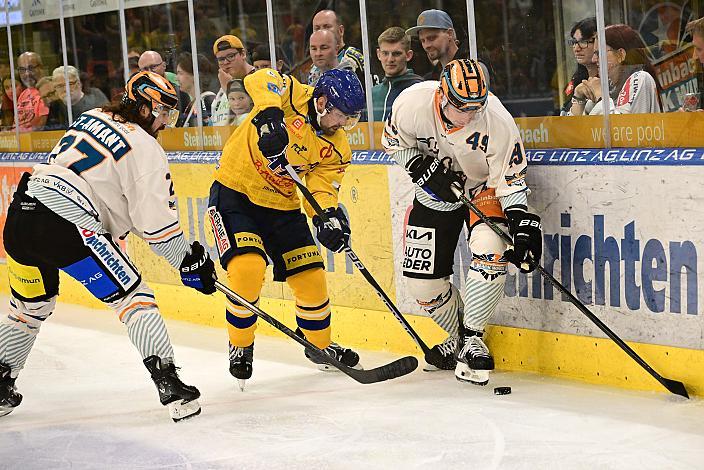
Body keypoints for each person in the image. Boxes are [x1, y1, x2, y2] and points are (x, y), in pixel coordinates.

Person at [0, 71, 217, 421]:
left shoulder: (91, 117)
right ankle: (171, 386)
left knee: (28, 307)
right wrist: (189, 259)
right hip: (67, 223)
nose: (166, 122)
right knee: (134, 298)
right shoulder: (146, 148)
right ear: (145, 108)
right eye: (164, 112)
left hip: (22, 215)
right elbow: (158, 229)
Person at [382, 59, 542, 384]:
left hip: (482, 187)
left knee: (490, 246)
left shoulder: (498, 121)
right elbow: (392, 143)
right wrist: (417, 166)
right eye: (462, 107)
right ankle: (459, 339)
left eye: (476, 107)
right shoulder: (411, 104)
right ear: (442, 94)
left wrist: (522, 223)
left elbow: (509, 183)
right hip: (434, 190)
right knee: (422, 284)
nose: (470, 116)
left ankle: (472, 339)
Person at [208, 68, 365, 390]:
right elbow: (256, 78)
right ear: (321, 101)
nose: (343, 125)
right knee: (247, 268)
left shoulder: (337, 147)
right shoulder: (293, 94)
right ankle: (240, 343)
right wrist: (268, 114)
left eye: (351, 119)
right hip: (235, 191)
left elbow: (321, 187)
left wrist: (327, 215)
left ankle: (319, 346)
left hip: (282, 205)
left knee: (312, 278)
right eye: (340, 116)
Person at [568, 24, 662, 115]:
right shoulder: (609, 88)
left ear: (620, 54)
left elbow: (621, 128)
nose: (594, 59)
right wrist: (578, 98)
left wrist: (601, 97)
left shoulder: (640, 78)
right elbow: (574, 130)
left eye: (599, 53)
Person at [406, 9, 491, 87]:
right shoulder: (432, 77)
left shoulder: (472, 68)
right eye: (422, 40)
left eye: (432, 38)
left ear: (449, 34)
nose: (426, 45)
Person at [371, 27, 423, 121]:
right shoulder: (372, 94)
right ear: (378, 54)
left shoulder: (420, 89)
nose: (390, 59)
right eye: (385, 53)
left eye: (396, 54)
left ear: (408, 55)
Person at [211, 35, 255, 127]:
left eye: (230, 56)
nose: (226, 62)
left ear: (243, 54)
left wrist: (228, 88)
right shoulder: (224, 81)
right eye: (221, 59)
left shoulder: (257, 78)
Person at [310, 9, 364, 84]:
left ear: (340, 30)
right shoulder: (314, 68)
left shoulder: (353, 59)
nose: (322, 32)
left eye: (326, 27)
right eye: (317, 28)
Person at [560, 17, 598, 115]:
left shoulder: (612, 80)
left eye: (583, 42)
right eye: (574, 42)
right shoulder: (577, 79)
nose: (576, 48)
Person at [138, 50, 190, 116]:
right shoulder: (136, 97)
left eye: (153, 67)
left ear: (164, 65)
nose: (150, 72)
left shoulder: (180, 95)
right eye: (145, 69)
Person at [175, 52, 216, 127]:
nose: (176, 78)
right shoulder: (195, 102)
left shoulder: (206, 100)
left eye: (180, 73)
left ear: (195, 75)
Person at [15, 52, 49, 131]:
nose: (27, 74)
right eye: (22, 69)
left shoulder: (48, 91)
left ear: (41, 67)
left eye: (31, 68)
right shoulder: (23, 94)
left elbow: (40, 127)